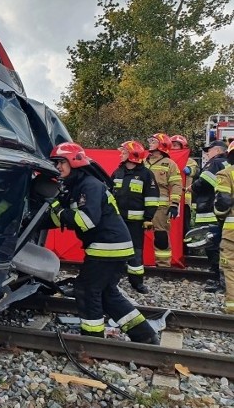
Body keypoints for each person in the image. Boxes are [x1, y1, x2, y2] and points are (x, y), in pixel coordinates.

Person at [48, 142, 159, 344]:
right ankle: (145, 335)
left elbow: (87, 221)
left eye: (61, 162)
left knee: (86, 289)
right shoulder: (78, 185)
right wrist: (50, 212)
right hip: (112, 246)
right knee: (108, 293)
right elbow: (61, 219)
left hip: (107, 247)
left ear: (74, 162)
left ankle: (93, 340)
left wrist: (58, 209)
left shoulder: (89, 185)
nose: (57, 167)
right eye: (56, 163)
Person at [111, 140, 159, 294]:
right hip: (118, 221)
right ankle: (112, 281)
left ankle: (137, 283)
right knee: (115, 251)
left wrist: (148, 218)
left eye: (124, 152)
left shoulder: (146, 174)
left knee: (135, 254)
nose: (121, 155)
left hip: (136, 223)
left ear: (132, 155)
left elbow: (152, 197)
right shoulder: (117, 172)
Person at [193, 140, 228, 292]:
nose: (207, 153)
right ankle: (221, 278)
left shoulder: (215, 163)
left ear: (218, 150)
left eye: (209, 150)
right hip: (220, 212)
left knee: (212, 246)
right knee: (222, 247)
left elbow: (204, 182)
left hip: (209, 210)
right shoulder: (227, 164)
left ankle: (218, 279)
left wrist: (193, 186)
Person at [144, 133, 183, 267]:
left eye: (153, 141)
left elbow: (177, 185)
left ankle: (163, 265)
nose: (150, 143)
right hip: (141, 206)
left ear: (162, 145)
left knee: (161, 237)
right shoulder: (143, 162)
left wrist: (174, 204)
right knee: (134, 234)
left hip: (160, 208)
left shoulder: (169, 164)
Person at [212, 141, 234, 312]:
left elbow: (222, 202)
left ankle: (232, 306)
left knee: (230, 267)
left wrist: (220, 218)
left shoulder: (225, 173)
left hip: (232, 231)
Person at [171, 134, 198, 237]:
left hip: (184, 201)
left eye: (176, 145)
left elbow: (194, 171)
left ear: (183, 147)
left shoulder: (190, 161)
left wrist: (188, 170)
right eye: (172, 145)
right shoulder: (165, 160)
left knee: (184, 227)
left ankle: (186, 249)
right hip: (169, 199)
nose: (173, 147)